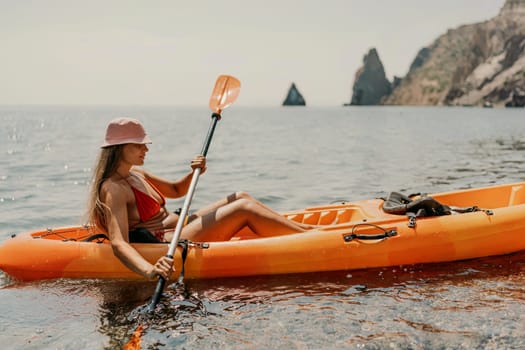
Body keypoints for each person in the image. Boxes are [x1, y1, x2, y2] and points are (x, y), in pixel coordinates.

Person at [87, 117, 312, 280]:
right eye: (138, 144)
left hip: (181, 225)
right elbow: (118, 242)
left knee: (240, 196)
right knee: (243, 209)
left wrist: (194, 171)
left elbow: (176, 190)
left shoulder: (138, 174)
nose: (145, 148)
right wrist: (150, 270)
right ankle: (310, 240)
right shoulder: (114, 189)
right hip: (168, 242)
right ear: (118, 148)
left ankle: (307, 230)